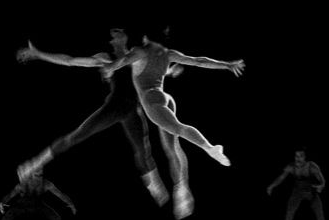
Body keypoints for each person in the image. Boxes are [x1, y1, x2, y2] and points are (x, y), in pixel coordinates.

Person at [15, 28, 193, 219]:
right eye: (115, 32)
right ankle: (35, 162)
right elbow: (70, 60)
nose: (118, 32)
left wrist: (171, 71)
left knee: (143, 151)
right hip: (115, 106)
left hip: (133, 110)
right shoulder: (106, 57)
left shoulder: (138, 54)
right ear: (112, 40)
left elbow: (154, 71)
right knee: (77, 135)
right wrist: (39, 54)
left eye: (120, 31)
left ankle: (156, 184)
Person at [101, 33, 245, 167]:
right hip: (164, 97)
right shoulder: (169, 54)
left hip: (151, 98)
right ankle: (184, 169)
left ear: (146, 37)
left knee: (178, 128)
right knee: (173, 138)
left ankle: (210, 148)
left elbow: (124, 60)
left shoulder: (140, 51)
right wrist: (226, 65)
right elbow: (199, 61)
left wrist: (109, 69)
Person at [267, 148, 329, 220]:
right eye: (296, 156)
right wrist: (272, 186)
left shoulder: (311, 166)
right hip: (297, 192)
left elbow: (322, 180)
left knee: (320, 217)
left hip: (311, 192)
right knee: (289, 216)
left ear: (304, 157)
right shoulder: (291, 166)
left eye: (300, 156)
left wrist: (320, 186)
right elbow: (281, 178)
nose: (298, 159)